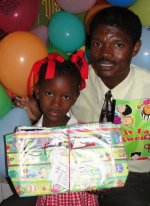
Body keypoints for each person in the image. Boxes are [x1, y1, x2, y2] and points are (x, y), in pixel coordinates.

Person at [71, 6, 150, 206]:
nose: (105, 53)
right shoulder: (75, 80)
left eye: (117, 44)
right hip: (78, 168)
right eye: (97, 43)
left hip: (132, 176)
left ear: (135, 47)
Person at [14, 50, 99, 206]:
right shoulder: (30, 138)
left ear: (75, 98)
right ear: (38, 92)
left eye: (65, 96)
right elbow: (27, 181)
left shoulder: (85, 134)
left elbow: (97, 176)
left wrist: (98, 183)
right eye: (49, 93)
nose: (56, 103)